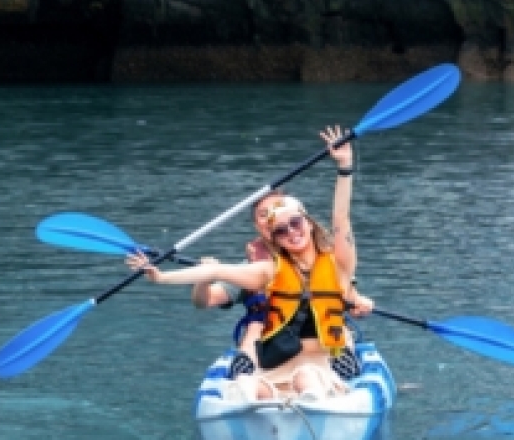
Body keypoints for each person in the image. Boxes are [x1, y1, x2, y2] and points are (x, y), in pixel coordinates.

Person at [128, 125, 373, 400]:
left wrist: (344, 167)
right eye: (281, 230)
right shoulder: (270, 270)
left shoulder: (339, 262)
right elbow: (216, 270)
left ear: (309, 222)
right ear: (274, 239)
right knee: (247, 384)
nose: (291, 232)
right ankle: (249, 406)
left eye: (295, 222)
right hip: (278, 362)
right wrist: (160, 278)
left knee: (307, 378)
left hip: (323, 360)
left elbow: (341, 219)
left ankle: (311, 407)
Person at [191, 189, 371, 381]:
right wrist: (205, 276)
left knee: (333, 338)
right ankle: (253, 380)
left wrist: (358, 302)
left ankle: (331, 377)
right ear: (259, 226)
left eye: (279, 209)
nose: (274, 215)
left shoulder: (325, 262)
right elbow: (205, 300)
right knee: (255, 327)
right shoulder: (251, 269)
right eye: (264, 214)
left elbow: (348, 294)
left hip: (320, 336)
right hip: (268, 340)